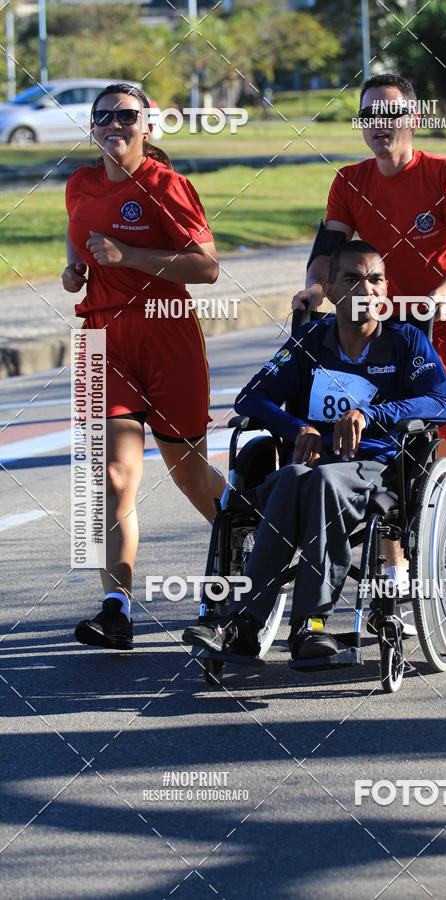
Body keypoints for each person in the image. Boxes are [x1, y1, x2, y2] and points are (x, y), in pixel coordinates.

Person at [182, 241, 446, 662]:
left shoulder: (405, 341)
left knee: (321, 481)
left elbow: (440, 403)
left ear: (386, 290)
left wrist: (370, 413)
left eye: (376, 280)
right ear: (329, 289)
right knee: (292, 477)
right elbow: (251, 398)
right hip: (307, 468)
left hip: (374, 473)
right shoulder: (310, 339)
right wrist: (296, 427)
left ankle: (310, 623)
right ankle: (244, 624)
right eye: (352, 279)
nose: (366, 290)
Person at [292, 73, 446, 569]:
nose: (378, 124)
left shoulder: (445, 175)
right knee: (387, 453)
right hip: (387, 329)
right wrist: (316, 289)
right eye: (369, 115)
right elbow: (328, 250)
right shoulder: (349, 180)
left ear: (414, 119)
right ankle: (394, 573)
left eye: (389, 113)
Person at [64, 83, 225, 650]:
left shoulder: (166, 186)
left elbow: (206, 269)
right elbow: (77, 240)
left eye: (127, 116)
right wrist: (74, 272)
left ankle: (258, 542)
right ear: (93, 127)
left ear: (147, 126)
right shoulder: (79, 184)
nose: (115, 124)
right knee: (110, 479)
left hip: (166, 334)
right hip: (101, 340)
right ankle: (116, 609)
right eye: (104, 116)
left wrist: (128, 256)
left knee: (190, 476)